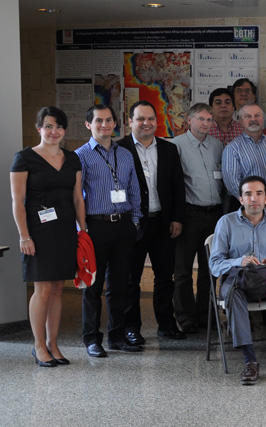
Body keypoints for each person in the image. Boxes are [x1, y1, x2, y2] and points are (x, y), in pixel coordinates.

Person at [11, 106, 86, 366]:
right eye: (49, 126)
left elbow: (78, 197)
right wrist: (24, 236)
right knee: (42, 288)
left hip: (65, 229)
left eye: (59, 127)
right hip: (38, 231)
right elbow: (17, 201)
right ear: (39, 128)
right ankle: (38, 345)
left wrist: (83, 231)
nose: (54, 132)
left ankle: (54, 344)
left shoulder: (72, 158)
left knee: (57, 288)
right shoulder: (24, 158)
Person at [209, 176, 266, 385]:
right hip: (238, 282)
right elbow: (215, 264)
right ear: (240, 199)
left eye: (259, 193)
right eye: (248, 194)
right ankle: (250, 360)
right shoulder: (226, 222)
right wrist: (240, 261)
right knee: (233, 293)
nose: (254, 199)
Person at [76, 104, 144, 357]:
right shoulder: (81, 156)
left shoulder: (125, 154)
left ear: (116, 124)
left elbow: (134, 188)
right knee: (92, 286)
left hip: (123, 224)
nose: (104, 125)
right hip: (95, 225)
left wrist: (135, 220)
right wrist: (80, 229)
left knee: (120, 285)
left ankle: (117, 336)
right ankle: (92, 339)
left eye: (108, 121)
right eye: (98, 121)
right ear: (88, 125)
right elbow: (77, 196)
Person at [118, 100, 187, 343]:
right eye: (140, 119)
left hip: (163, 223)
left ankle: (166, 325)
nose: (146, 123)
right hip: (133, 224)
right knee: (130, 279)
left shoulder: (169, 149)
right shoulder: (120, 149)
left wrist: (177, 217)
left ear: (157, 122)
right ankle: (131, 328)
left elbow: (178, 187)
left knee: (164, 278)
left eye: (150, 119)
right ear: (130, 122)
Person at [172, 103, 225, 334]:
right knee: (182, 270)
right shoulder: (176, 146)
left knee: (209, 270)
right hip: (188, 215)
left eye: (208, 120)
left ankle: (206, 315)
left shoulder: (217, 145)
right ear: (189, 120)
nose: (205, 123)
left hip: (214, 215)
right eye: (200, 119)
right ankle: (185, 317)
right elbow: (172, 185)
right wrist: (175, 217)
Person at [221, 104, 266, 202]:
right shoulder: (232, 149)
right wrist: (254, 201)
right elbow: (232, 184)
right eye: (248, 116)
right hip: (245, 205)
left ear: (263, 119)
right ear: (240, 121)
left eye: (257, 116)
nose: (253, 119)